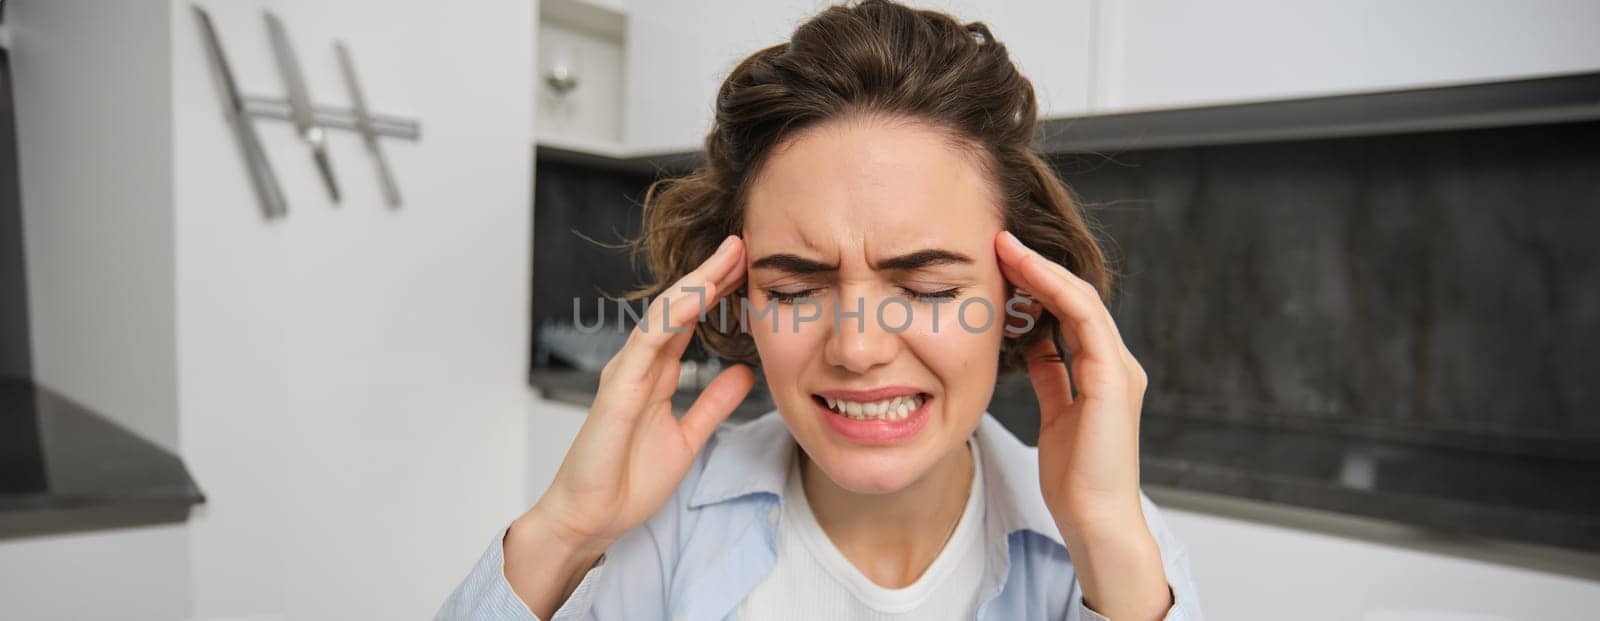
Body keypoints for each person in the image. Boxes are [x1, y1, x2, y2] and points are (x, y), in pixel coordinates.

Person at [439, 1, 1202, 619]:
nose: (859, 348)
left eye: (929, 289)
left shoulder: (1113, 541)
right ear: (738, 296)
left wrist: (1109, 552)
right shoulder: (658, 530)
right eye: (797, 290)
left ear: (1019, 298)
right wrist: (566, 528)